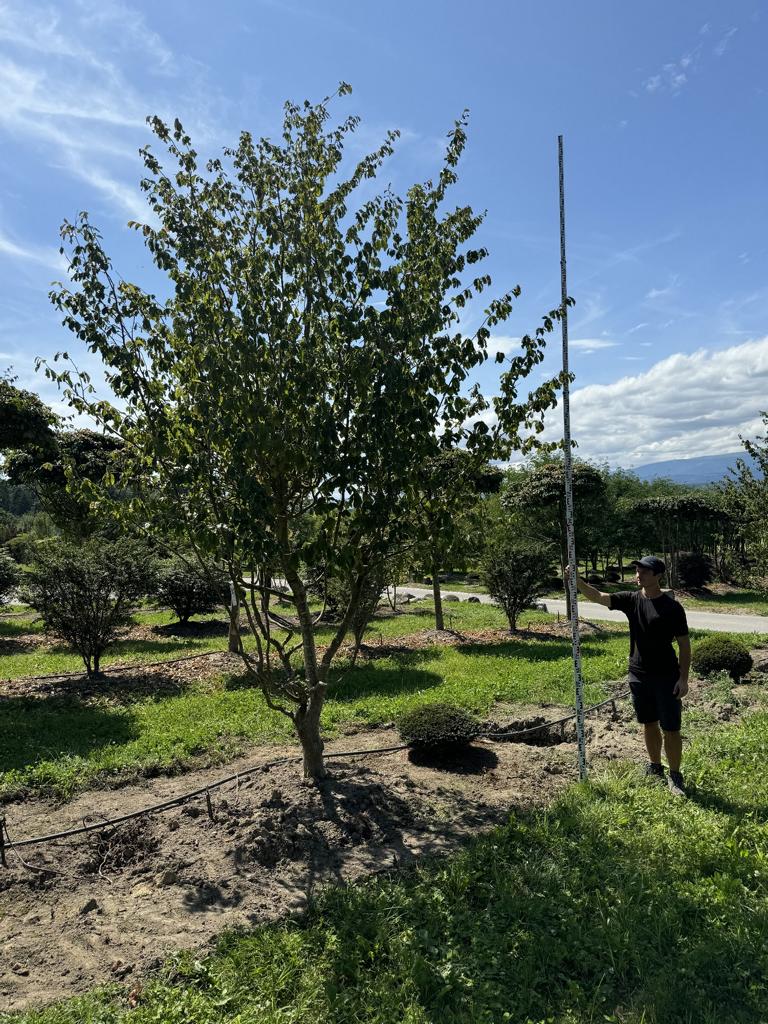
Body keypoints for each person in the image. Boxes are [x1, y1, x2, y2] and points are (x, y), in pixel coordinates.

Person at [568, 556, 691, 797]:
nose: (638, 574)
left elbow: (684, 646)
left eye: (644, 571)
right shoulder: (631, 599)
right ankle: (655, 767)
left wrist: (683, 679)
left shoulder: (672, 607)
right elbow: (599, 597)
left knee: (671, 728)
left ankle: (675, 776)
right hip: (638, 675)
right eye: (637, 570)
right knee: (648, 722)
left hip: (666, 676)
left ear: (657, 576)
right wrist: (578, 582)